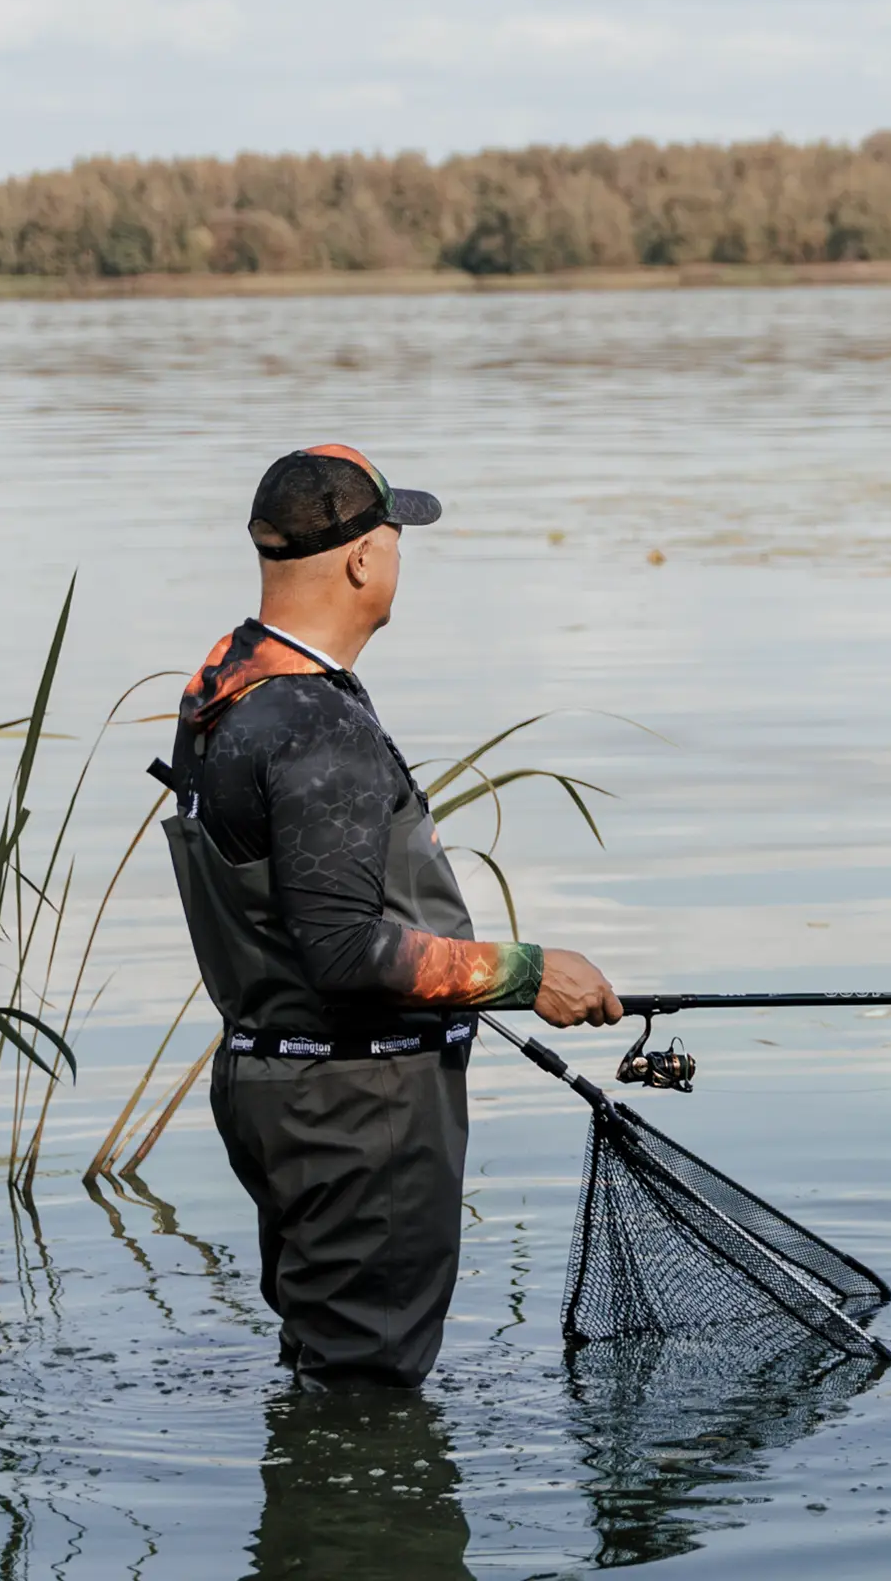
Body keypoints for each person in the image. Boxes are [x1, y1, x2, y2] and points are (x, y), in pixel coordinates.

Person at [154, 443, 622, 1387]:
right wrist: (528, 973)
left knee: (325, 1368)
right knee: (366, 1390)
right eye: (396, 536)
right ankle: (358, 1529)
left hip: (281, 1088)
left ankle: (318, 1520)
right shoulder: (315, 723)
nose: (401, 559)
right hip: (356, 1115)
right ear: (362, 559)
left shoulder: (223, 694)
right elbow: (341, 950)